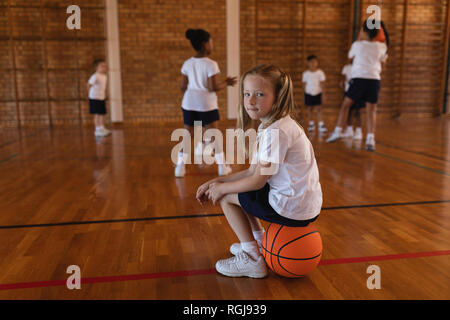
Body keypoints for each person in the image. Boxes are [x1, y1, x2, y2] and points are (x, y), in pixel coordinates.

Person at [196, 64, 322, 278]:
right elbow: (252, 172)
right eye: (246, 94)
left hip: (291, 208)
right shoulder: (275, 125)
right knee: (235, 191)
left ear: (278, 97)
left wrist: (222, 189)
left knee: (227, 197)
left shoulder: (277, 132)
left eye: (259, 94)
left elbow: (256, 182)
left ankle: (251, 258)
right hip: (300, 204)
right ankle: (258, 243)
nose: (250, 100)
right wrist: (216, 180)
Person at [175, 29, 237, 177]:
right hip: (206, 104)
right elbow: (213, 87)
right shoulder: (211, 64)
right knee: (214, 134)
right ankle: (223, 167)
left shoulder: (187, 63)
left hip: (189, 103)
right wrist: (226, 83)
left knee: (187, 134)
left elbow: (183, 86)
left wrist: (193, 94)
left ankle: (179, 168)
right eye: (211, 42)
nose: (212, 44)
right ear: (204, 44)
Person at [327, 19, 389, 151]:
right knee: (371, 110)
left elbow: (350, 56)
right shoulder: (382, 47)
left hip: (359, 79)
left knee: (345, 105)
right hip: (374, 80)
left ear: (365, 32)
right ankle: (370, 139)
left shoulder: (357, 45)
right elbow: (383, 65)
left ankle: (338, 131)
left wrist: (360, 39)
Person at [302, 55, 327, 133]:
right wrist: (304, 95)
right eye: (311, 62)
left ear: (317, 63)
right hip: (308, 93)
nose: (313, 64)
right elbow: (304, 85)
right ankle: (311, 124)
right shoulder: (305, 74)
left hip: (318, 92)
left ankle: (321, 124)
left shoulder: (320, 73)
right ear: (308, 63)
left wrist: (324, 94)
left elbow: (323, 84)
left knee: (319, 109)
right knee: (309, 109)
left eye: (314, 62)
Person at [340, 62, 363, 140]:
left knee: (357, 111)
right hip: (348, 91)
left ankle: (359, 131)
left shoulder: (360, 66)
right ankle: (349, 130)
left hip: (358, 91)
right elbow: (344, 78)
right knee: (348, 111)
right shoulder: (346, 67)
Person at [87, 59, 110, 137]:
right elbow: (89, 84)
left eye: (105, 66)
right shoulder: (95, 76)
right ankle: (97, 129)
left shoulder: (104, 76)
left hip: (101, 97)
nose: (104, 67)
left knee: (102, 113)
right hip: (95, 98)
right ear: (96, 68)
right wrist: (89, 95)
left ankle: (102, 127)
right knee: (97, 114)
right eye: (102, 66)